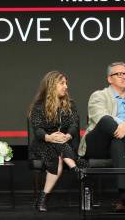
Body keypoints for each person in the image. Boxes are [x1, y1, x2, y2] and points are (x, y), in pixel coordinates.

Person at [78, 62, 125, 211]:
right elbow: (99, 116)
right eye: (119, 74)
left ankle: (123, 198)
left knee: (118, 143)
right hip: (98, 144)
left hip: (119, 146)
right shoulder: (99, 95)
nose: (124, 77)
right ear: (109, 79)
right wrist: (121, 124)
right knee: (106, 121)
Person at [29, 71, 86, 212]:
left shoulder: (70, 104)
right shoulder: (39, 106)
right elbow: (38, 130)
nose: (66, 86)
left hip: (64, 142)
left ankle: (42, 199)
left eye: (66, 83)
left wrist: (67, 136)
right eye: (62, 83)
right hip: (43, 143)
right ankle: (75, 168)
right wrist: (49, 137)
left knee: (58, 152)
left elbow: (74, 125)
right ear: (51, 85)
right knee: (56, 149)